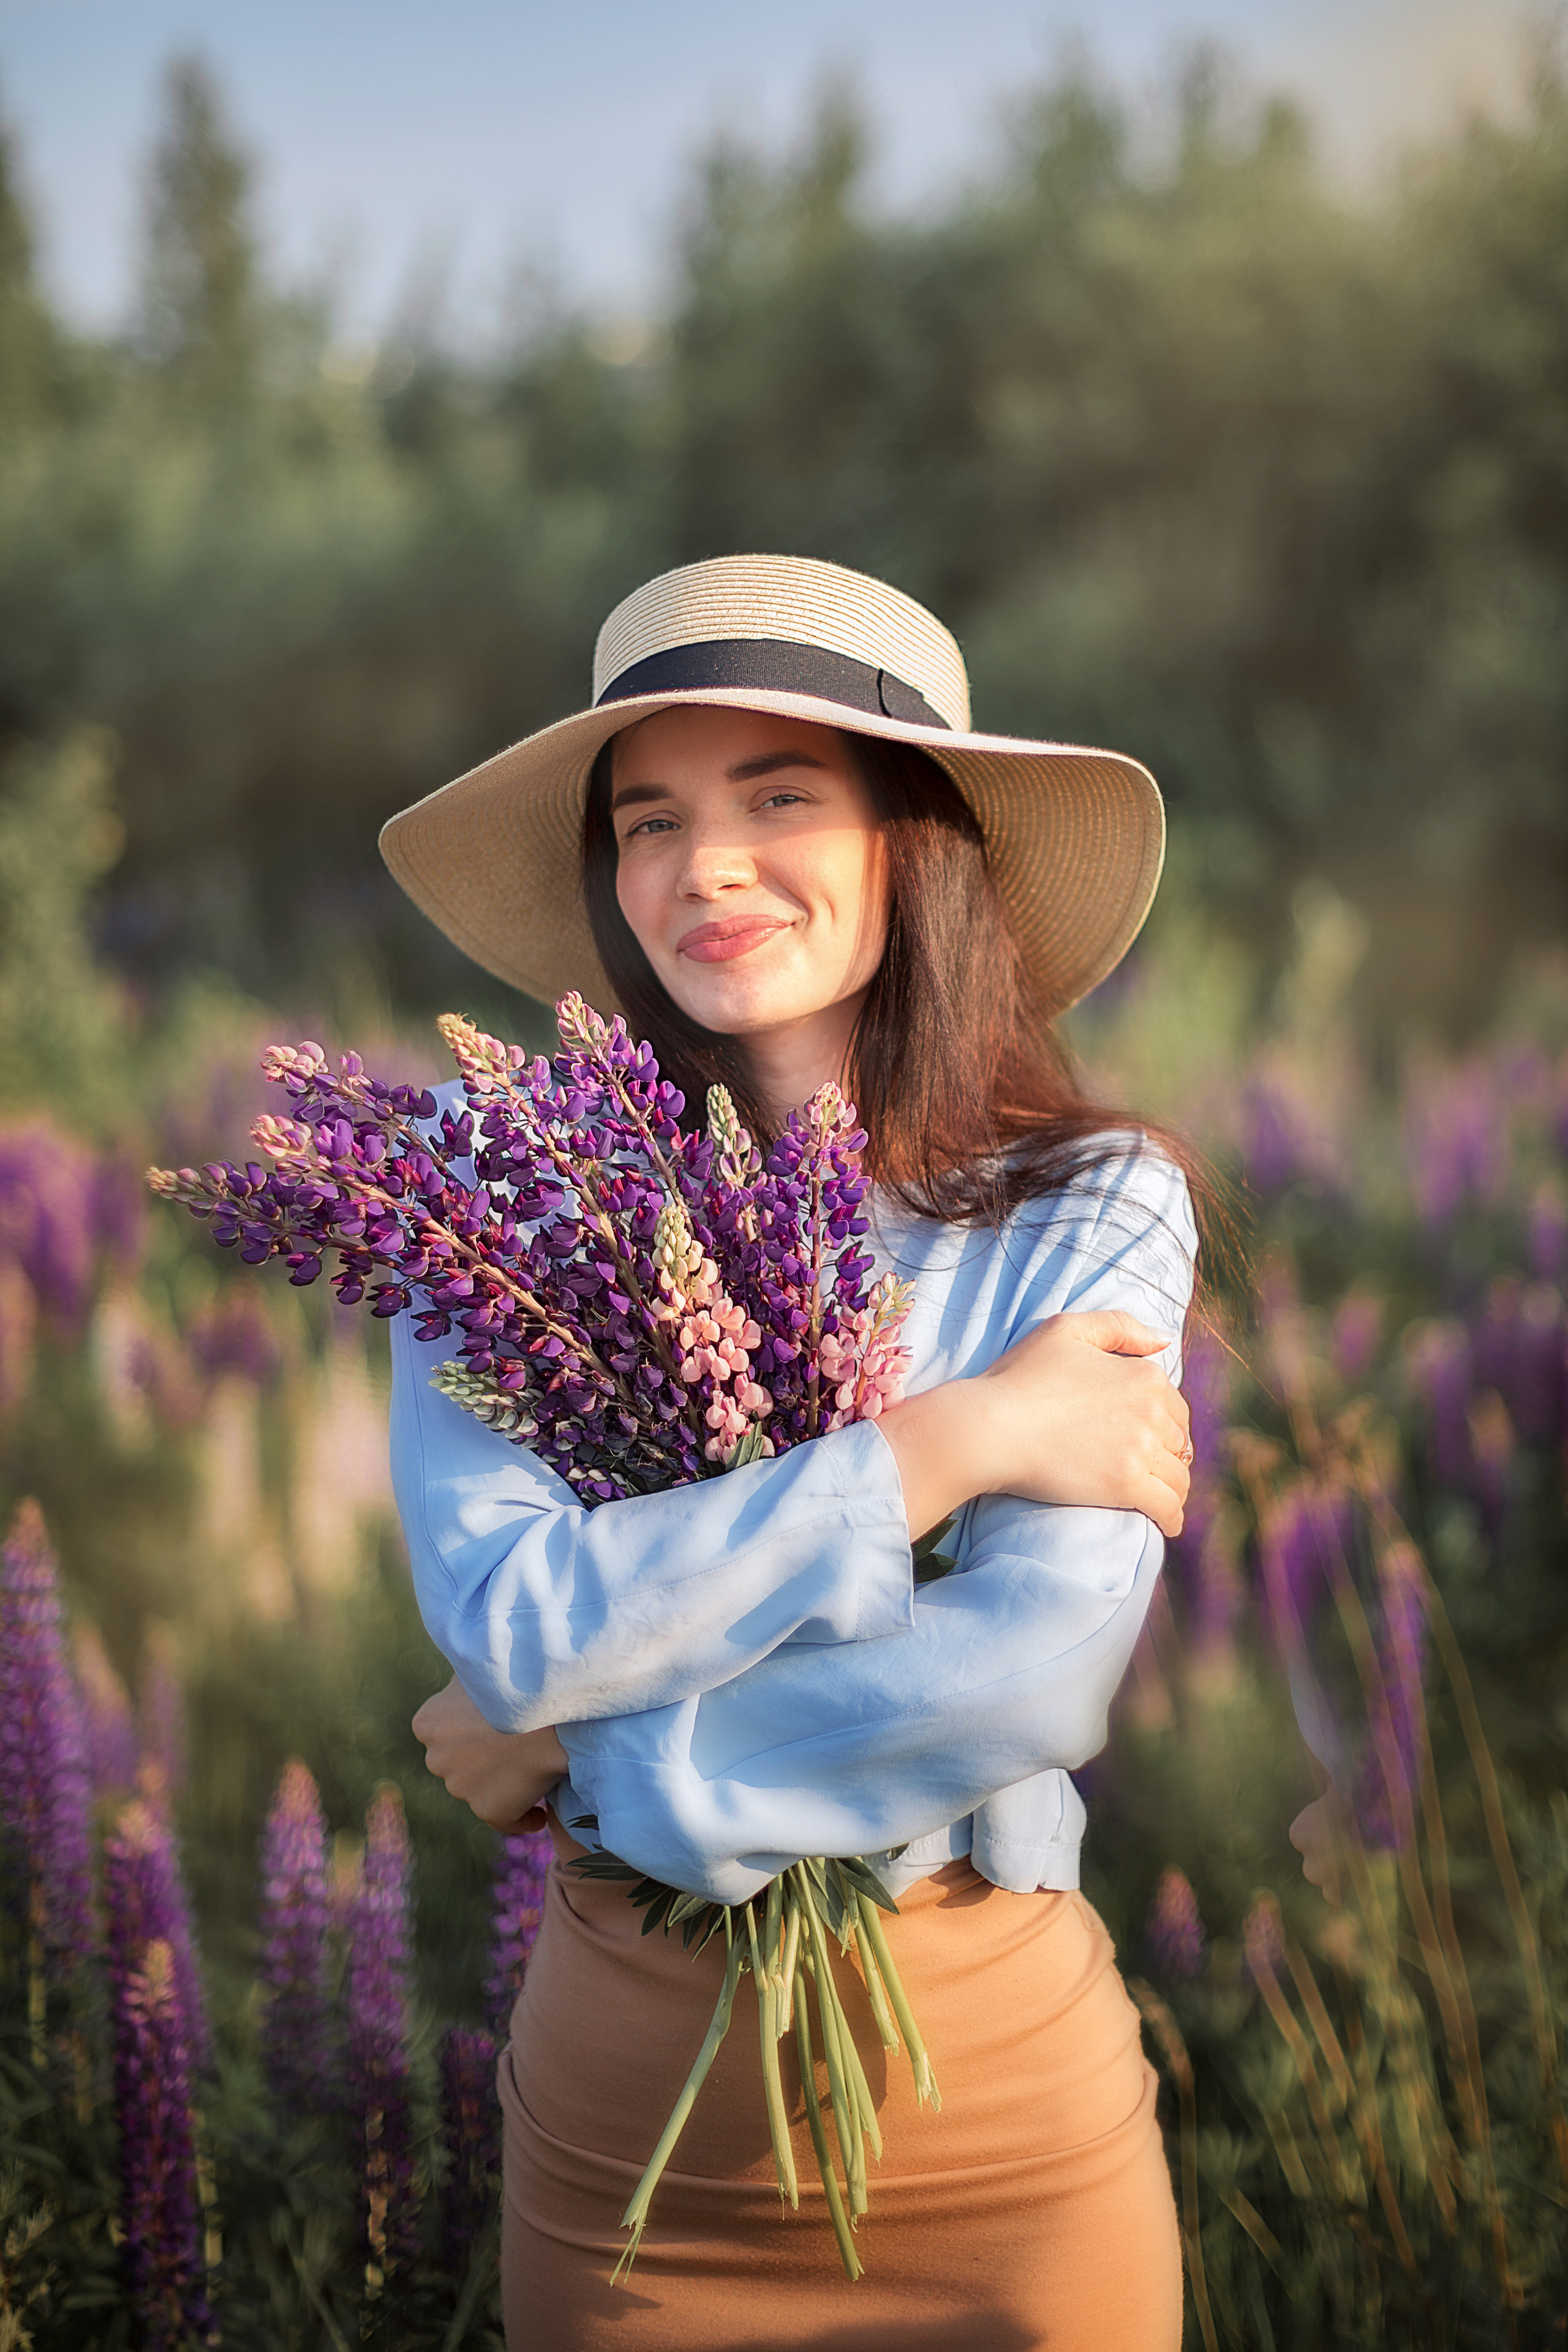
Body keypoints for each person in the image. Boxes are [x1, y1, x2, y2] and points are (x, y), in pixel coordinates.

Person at [380, 554, 1204, 2349]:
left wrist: (589, 1748)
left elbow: (1030, 1672)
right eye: (651, 817)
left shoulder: (1089, 1205)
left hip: (1000, 2112)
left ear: (914, 836)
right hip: (631, 2141)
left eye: (781, 796)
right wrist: (958, 1438)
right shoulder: (496, 1204)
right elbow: (511, 1619)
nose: (707, 866)